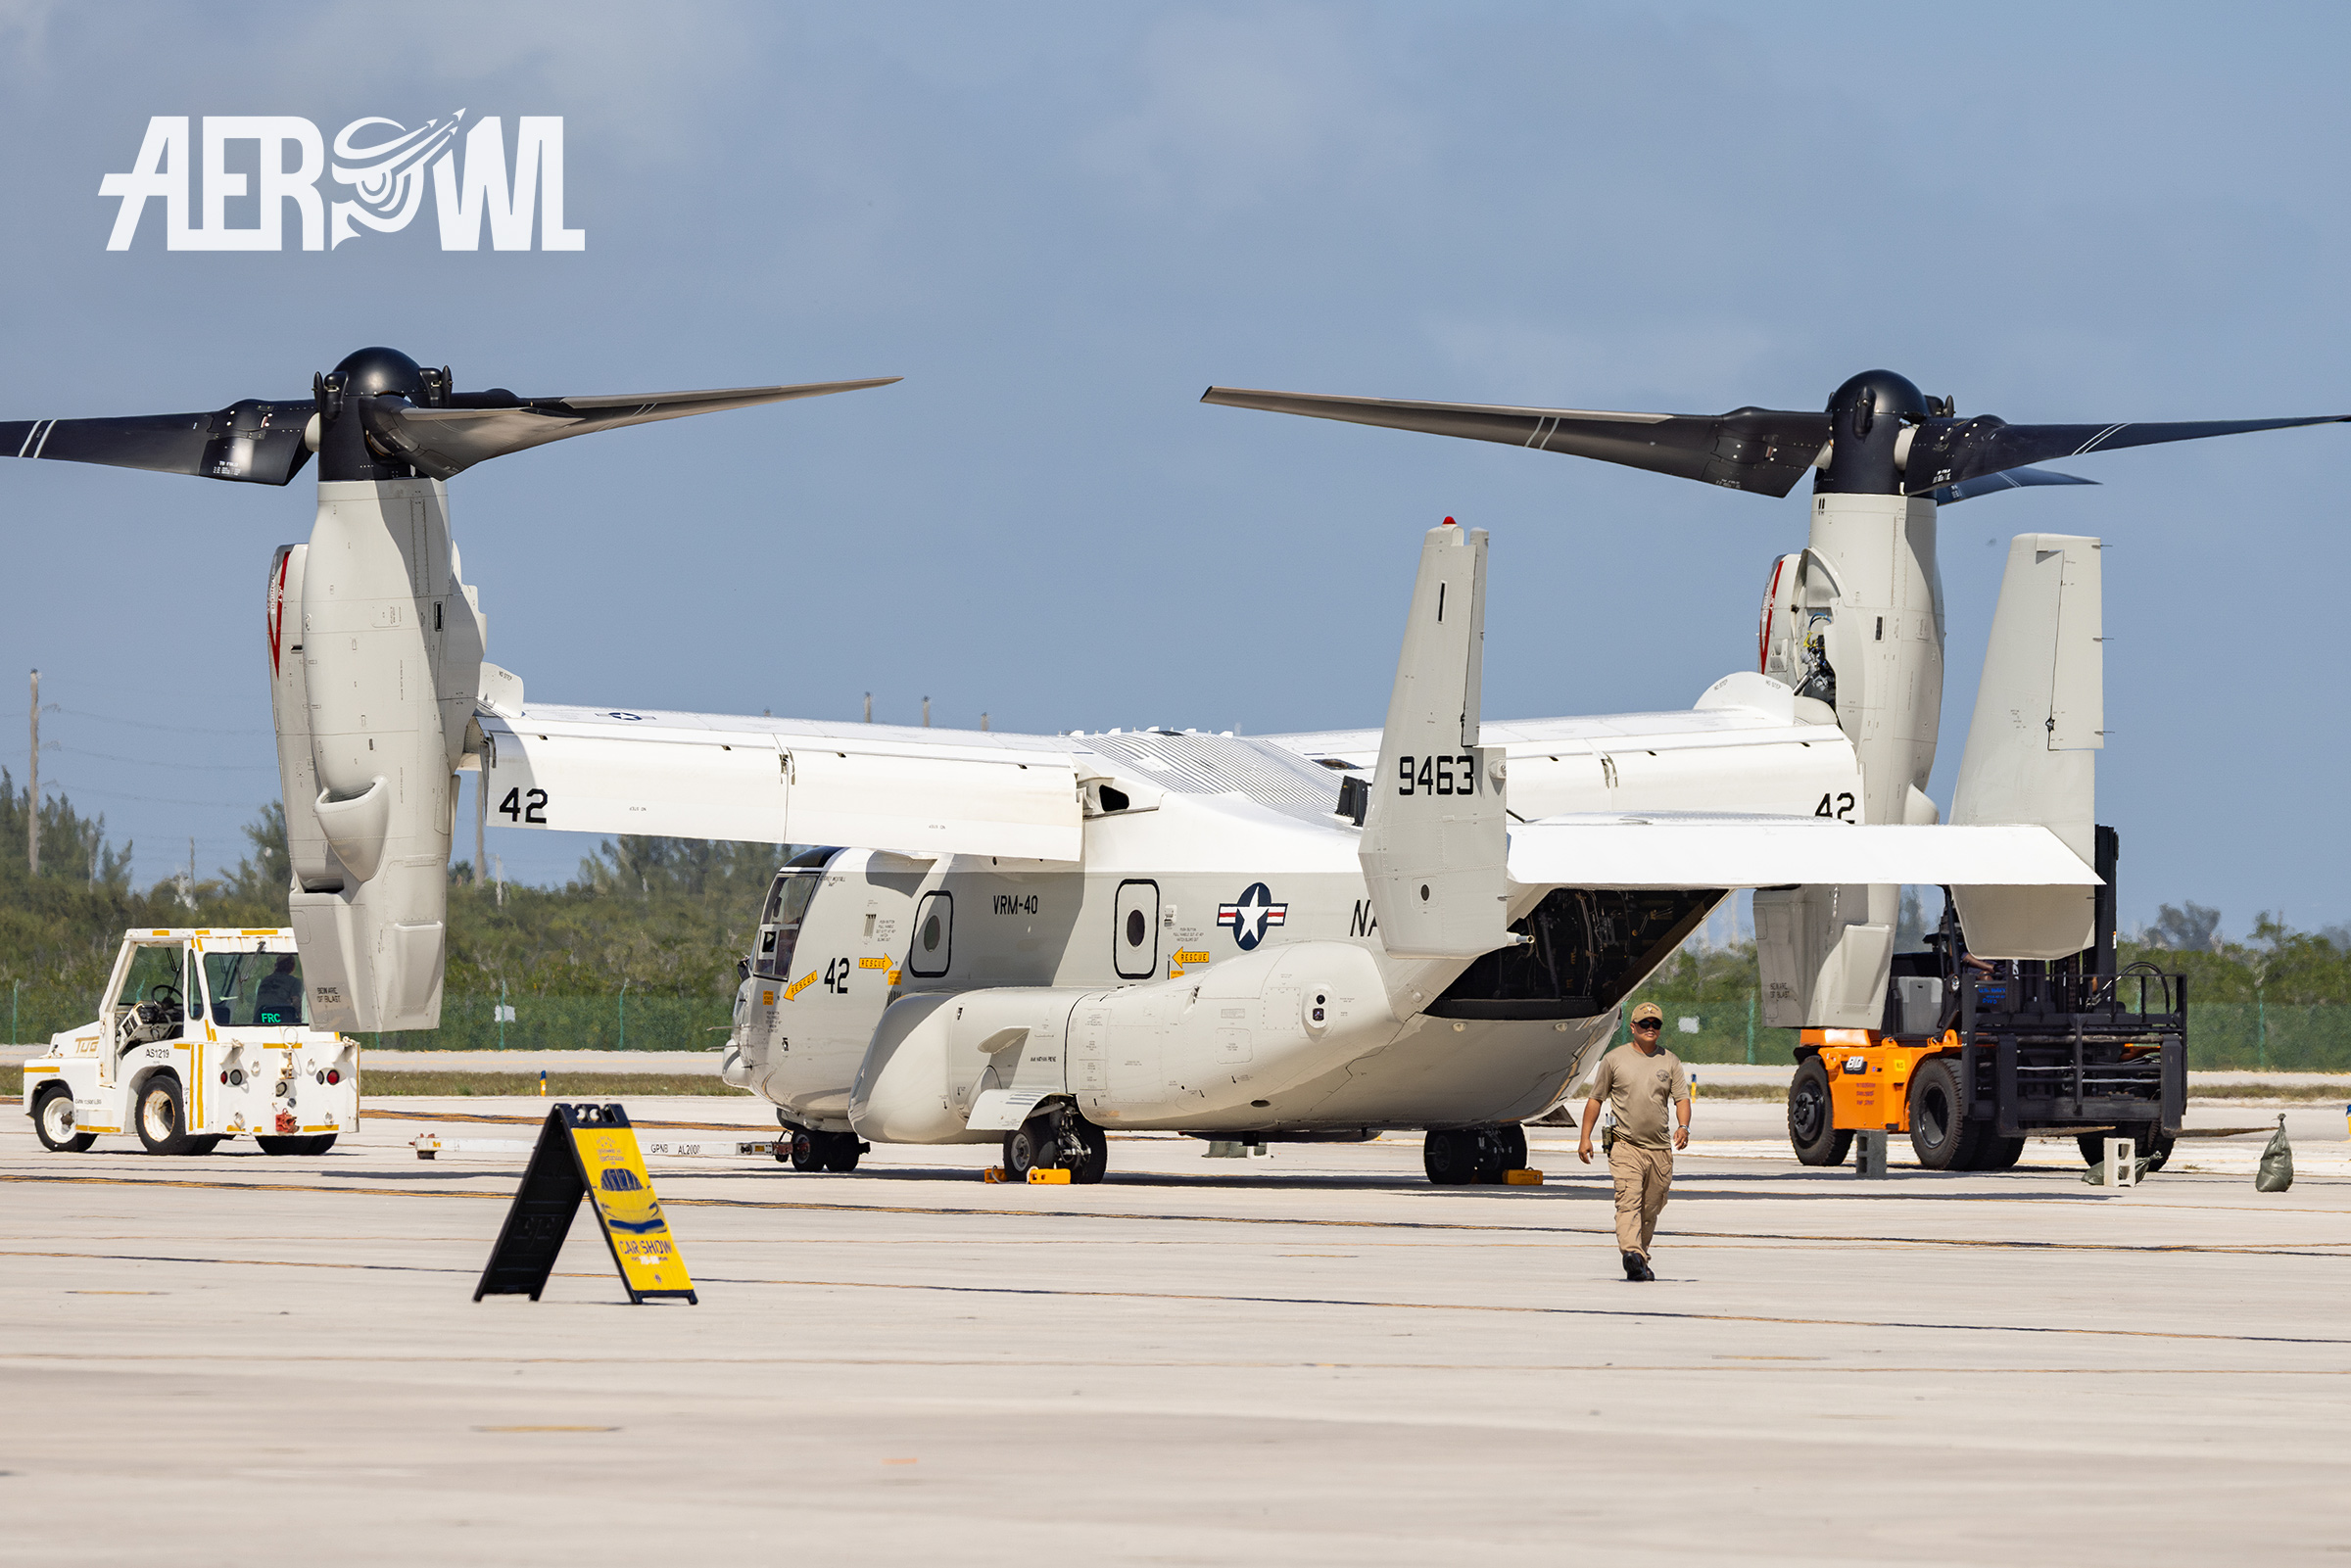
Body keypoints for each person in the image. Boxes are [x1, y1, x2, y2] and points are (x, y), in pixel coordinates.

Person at [1577, 1001, 1690, 1281]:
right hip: (1625, 1146)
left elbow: (1682, 1099)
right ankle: (1630, 1252)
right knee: (1628, 1200)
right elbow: (1596, 1099)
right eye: (1644, 1024)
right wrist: (1585, 1138)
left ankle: (1640, 1257)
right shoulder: (1614, 1060)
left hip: (1660, 1149)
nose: (1650, 1029)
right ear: (1633, 1027)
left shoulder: (1670, 1061)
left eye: (1656, 1025)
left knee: (1651, 1207)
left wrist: (1684, 1126)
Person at [254, 956, 302, 1024]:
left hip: (259, 1020)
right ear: (292, 967)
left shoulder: (265, 980)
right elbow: (296, 1001)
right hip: (282, 1021)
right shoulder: (293, 981)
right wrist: (301, 1016)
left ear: (276, 965)